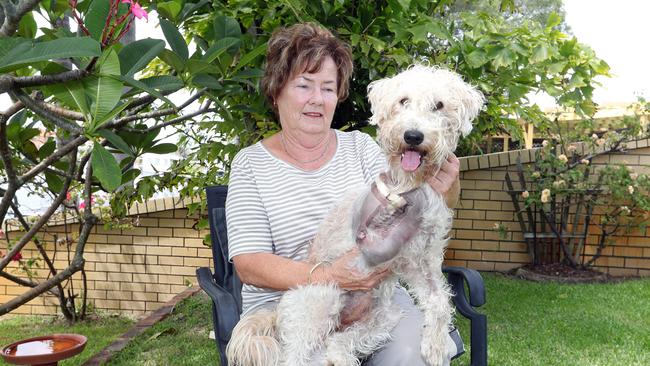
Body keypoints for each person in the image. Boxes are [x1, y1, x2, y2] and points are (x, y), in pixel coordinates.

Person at [226, 22, 461, 365]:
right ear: (277, 91)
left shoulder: (362, 148)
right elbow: (249, 265)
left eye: (327, 88)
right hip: (291, 300)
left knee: (413, 356)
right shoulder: (250, 165)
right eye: (304, 85)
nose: (316, 100)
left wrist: (446, 190)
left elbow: (416, 215)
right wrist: (330, 276)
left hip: (378, 298)